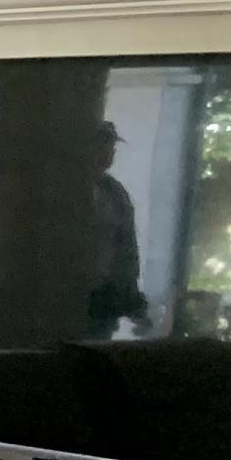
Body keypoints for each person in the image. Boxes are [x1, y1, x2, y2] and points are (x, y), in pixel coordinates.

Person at [86, 120, 149, 335]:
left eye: (111, 147)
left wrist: (132, 300)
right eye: (102, 146)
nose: (109, 153)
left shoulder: (115, 192)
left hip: (103, 300)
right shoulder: (67, 190)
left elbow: (127, 248)